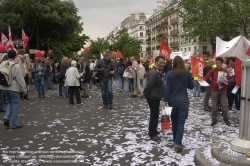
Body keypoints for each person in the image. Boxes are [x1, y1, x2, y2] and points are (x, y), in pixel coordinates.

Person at [163, 56, 194, 153]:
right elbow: (191, 86)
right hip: (184, 100)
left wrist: (165, 100)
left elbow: (167, 89)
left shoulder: (169, 74)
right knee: (181, 122)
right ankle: (178, 143)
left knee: (174, 121)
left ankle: (176, 139)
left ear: (174, 63)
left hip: (172, 100)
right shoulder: (186, 73)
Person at [1, 50, 27, 129]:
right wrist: (24, 89)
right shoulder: (16, 65)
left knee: (10, 103)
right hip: (13, 87)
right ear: (15, 56)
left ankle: (6, 117)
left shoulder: (2, 63)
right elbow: (20, 79)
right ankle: (15, 123)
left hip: (4, 86)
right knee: (15, 104)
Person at [203, 57, 231, 126]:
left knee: (224, 106)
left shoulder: (224, 71)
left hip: (223, 91)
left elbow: (227, 81)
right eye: (217, 63)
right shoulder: (213, 70)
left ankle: (226, 119)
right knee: (214, 107)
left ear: (222, 63)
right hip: (214, 90)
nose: (218, 64)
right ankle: (214, 120)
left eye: (219, 63)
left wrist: (222, 83)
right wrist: (202, 80)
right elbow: (207, 77)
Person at [143, 56, 165, 142]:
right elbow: (149, 85)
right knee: (154, 115)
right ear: (155, 62)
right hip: (153, 97)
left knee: (155, 114)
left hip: (156, 96)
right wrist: (145, 94)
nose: (162, 64)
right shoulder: (154, 73)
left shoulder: (157, 72)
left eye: (163, 62)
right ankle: (152, 133)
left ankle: (153, 130)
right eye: (160, 62)